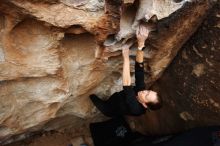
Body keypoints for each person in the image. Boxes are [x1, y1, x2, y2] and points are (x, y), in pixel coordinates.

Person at [90, 22, 162, 117]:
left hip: (109, 109)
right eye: (149, 91)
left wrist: (126, 57)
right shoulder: (141, 91)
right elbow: (139, 70)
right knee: (111, 98)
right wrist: (141, 44)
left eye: (146, 95)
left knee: (92, 97)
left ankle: (97, 102)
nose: (145, 91)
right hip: (116, 98)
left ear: (144, 104)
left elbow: (127, 85)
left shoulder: (136, 109)